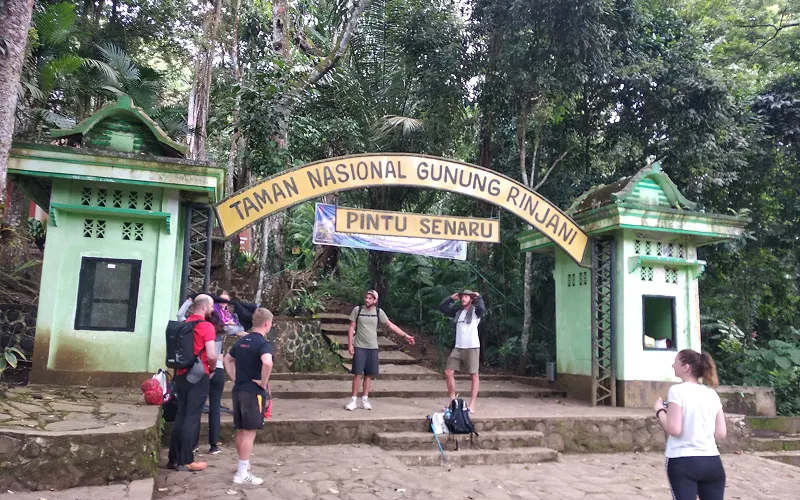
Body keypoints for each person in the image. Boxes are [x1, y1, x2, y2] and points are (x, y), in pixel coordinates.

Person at [654, 349, 727, 500]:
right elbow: (721, 433)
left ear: (686, 367)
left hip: (683, 460)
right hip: (712, 461)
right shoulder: (712, 394)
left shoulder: (677, 391)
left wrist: (660, 410)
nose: (673, 365)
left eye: (676, 362)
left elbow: (674, 429)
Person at [223, 308, 275, 485]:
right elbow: (267, 362)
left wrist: (235, 377)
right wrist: (263, 381)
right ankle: (242, 473)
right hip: (253, 392)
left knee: (241, 430)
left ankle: (242, 467)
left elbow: (227, 360)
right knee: (249, 432)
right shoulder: (263, 344)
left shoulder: (241, 341)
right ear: (267, 323)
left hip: (238, 390)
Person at [167, 294, 217, 472]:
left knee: (181, 415)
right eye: (211, 307)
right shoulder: (206, 326)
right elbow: (211, 354)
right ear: (204, 308)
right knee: (192, 417)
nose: (212, 310)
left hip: (180, 374)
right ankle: (186, 460)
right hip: (198, 376)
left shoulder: (183, 324)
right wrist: (211, 369)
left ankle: (173, 459)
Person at [345, 289, 415, 411]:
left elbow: (390, 325)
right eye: (366, 297)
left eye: (370, 298)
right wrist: (350, 344)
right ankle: (353, 400)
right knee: (357, 374)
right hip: (360, 346)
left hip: (373, 347)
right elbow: (351, 327)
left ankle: (365, 399)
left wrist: (405, 335)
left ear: (375, 300)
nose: (367, 300)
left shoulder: (378, 312)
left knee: (369, 374)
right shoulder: (358, 310)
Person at [439, 289, 486, 412]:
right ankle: (453, 401)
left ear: (471, 299)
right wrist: (451, 298)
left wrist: (479, 297)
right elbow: (442, 308)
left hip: (472, 347)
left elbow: (482, 309)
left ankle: (472, 404)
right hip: (458, 347)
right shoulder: (458, 312)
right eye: (462, 297)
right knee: (448, 372)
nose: (463, 299)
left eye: (466, 297)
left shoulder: (476, 312)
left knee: (474, 375)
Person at [205, 310, 226, 455]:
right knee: (215, 408)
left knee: (196, 407)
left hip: (203, 370)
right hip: (218, 370)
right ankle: (213, 445)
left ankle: (192, 444)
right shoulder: (219, 337)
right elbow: (221, 357)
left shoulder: (203, 333)